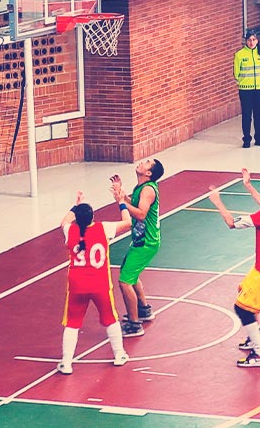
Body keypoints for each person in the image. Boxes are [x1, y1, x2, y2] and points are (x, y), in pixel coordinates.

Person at [208, 169, 260, 367]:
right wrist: (247, 185)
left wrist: (217, 201)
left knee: (242, 308)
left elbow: (230, 223)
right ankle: (256, 336)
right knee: (243, 293)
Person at [57, 189, 132, 374]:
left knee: (73, 323)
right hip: (100, 285)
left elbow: (64, 222)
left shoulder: (71, 230)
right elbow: (128, 223)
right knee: (110, 318)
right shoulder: (103, 228)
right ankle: (119, 354)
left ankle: (66, 363)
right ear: (92, 217)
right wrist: (121, 202)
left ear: (77, 218)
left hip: (76, 285)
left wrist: (76, 205)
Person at [110, 159, 165, 337]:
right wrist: (121, 194)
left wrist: (121, 203)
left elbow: (141, 214)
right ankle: (143, 310)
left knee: (124, 281)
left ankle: (134, 324)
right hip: (142, 240)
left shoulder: (148, 190)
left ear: (149, 173)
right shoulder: (141, 188)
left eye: (147, 163)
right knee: (131, 275)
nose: (143, 162)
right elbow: (135, 204)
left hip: (146, 243)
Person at [233, 28, 260, 148]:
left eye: (254, 40)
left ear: (257, 41)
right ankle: (246, 139)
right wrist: (244, 82)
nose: (251, 42)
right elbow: (236, 72)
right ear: (245, 41)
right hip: (245, 90)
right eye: (249, 40)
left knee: (258, 114)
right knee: (246, 114)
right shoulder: (239, 55)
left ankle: (259, 138)